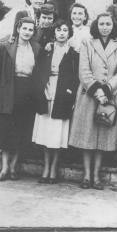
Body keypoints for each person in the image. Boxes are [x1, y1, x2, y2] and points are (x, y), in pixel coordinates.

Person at [69, 13, 117, 190]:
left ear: (113, 26)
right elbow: (83, 69)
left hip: (109, 95)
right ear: (96, 25)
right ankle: (86, 175)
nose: (105, 27)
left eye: (108, 24)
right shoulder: (87, 42)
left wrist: (107, 90)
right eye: (101, 23)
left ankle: (96, 175)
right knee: (87, 134)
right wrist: (97, 90)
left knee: (103, 135)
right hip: (89, 94)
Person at [0, 17, 40, 181]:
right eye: (25, 28)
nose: (27, 32)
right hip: (7, 91)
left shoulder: (36, 48)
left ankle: (14, 166)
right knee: (5, 131)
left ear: (34, 32)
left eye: (31, 29)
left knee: (22, 130)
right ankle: (5, 167)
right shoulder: (5, 46)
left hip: (27, 93)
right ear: (18, 29)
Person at [32, 20, 79, 184]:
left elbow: (75, 78)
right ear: (54, 32)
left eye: (65, 30)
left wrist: (70, 95)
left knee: (57, 133)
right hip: (46, 92)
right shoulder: (47, 50)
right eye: (58, 30)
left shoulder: (73, 54)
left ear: (69, 33)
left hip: (62, 95)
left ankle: (54, 169)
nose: (61, 33)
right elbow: (38, 71)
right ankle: (46, 167)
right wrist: (41, 89)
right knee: (46, 131)